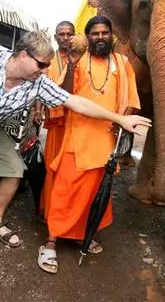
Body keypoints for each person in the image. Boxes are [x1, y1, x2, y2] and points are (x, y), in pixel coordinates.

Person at [0, 30, 150, 248]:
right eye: (41, 64)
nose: (45, 70)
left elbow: (76, 102)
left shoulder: (38, 82)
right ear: (22, 55)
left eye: (48, 65)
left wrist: (119, 119)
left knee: (14, 170)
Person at [37, 16, 141, 274]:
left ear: (112, 35)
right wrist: (71, 66)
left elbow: (129, 98)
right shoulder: (79, 60)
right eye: (95, 33)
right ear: (88, 36)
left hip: (106, 139)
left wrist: (122, 122)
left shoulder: (122, 63)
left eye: (105, 32)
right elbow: (63, 94)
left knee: (96, 193)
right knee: (66, 189)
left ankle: (85, 232)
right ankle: (51, 241)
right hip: (77, 136)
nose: (100, 37)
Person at [37, 21, 75, 220]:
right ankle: (49, 209)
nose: (66, 37)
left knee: (72, 169)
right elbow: (38, 86)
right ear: (56, 37)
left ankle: (67, 213)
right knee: (52, 166)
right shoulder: (48, 59)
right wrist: (38, 110)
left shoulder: (83, 58)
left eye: (69, 34)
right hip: (56, 123)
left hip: (78, 123)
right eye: (62, 34)